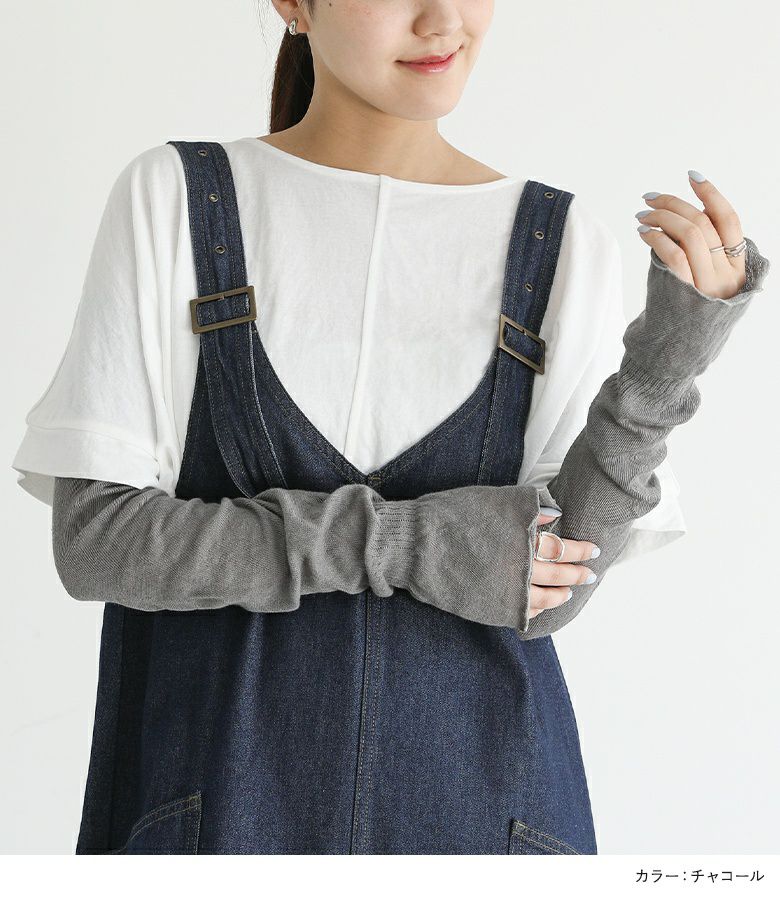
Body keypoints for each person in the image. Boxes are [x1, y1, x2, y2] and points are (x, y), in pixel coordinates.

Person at [10, 1, 770, 854]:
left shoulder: (561, 243)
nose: (443, 19)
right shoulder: (175, 200)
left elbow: (559, 578)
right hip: (215, 813)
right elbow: (97, 542)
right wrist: (407, 544)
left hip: (487, 822)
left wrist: (669, 358)